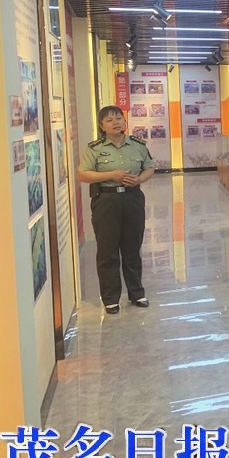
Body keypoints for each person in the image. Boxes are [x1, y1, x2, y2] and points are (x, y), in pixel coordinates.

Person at [77, 105, 155, 314]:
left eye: (119, 118)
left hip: (133, 198)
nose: (116, 123)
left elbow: (150, 167)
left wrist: (139, 179)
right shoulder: (95, 148)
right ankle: (111, 298)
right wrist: (110, 175)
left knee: (132, 248)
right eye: (110, 120)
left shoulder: (137, 145)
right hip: (106, 201)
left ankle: (137, 293)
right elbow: (83, 174)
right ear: (102, 125)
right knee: (108, 250)